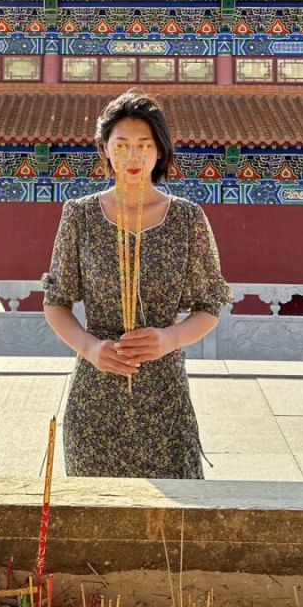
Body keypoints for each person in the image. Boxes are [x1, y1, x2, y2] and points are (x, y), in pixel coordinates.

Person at [42, 90, 231, 478]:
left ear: (159, 151)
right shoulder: (79, 216)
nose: (133, 156)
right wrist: (91, 348)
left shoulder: (187, 219)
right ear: (105, 149)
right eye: (122, 145)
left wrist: (169, 339)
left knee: (172, 528)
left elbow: (210, 305)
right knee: (95, 520)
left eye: (144, 145)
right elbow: (56, 301)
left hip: (165, 394)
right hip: (95, 395)